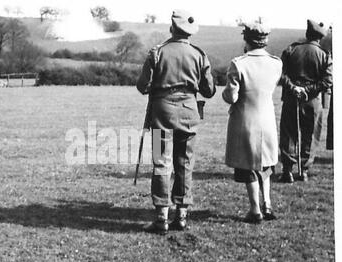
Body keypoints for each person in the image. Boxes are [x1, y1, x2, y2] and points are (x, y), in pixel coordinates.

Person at [136, 10, 216, 234]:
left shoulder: (158, 52)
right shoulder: (199, 55)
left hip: (161, 112)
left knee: (161, 162)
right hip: (189, 112)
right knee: (184, 163)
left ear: (172, 28)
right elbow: (209, 91)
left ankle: (161, 217)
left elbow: (142, 86)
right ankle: (181, 215)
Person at [222, 22, 282, 224]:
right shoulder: (276, 63)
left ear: (246, 39)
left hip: (245, 120)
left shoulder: (239, 63)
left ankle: (255, 209)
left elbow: (231, 97)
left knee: (248, 166)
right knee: (265, 164)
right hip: (267, 119)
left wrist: (226, 89)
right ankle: (267, 204)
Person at [279, 20, 333, 182]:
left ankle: (288, 170)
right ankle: (304, 171)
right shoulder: (324, 55)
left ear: (307, 34)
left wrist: (294, 88)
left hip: (291, 98)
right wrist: (308, 90)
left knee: (289, 134)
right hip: (312, 101)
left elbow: (280, 74)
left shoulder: (291, 49)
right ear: (320, 37)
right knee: (310, 135)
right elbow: (328, 81)